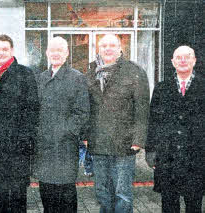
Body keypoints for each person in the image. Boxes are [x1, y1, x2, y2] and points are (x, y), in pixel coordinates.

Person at [84, 34, 150, 213]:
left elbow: (142, 109)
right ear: (99, 49)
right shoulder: (91, 72)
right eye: (103, 45)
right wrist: (85, 136)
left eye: (112, 45)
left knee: (122, 193)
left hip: (124, 143)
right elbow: (86, 107)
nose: (107, 49)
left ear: (120, 48)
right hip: (98, 143)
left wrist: (138, 139)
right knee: (102, 191)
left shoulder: (134, 71)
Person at [0, 34, 39, 213]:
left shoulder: (25, 74)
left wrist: (26, 139)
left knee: (18, 195)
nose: (1, 52)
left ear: (12, 51)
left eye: (5, 49)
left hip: (17, 147)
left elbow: (32, 109)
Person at [33, 36, 90, 213]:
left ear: (66, 54)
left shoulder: (77, 78)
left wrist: (65, 131)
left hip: (65, 146)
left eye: (60, 50)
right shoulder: (40, 78)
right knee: (47, 195)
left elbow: (82, 112)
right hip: (44, 147)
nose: (55, 53)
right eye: (52, 50)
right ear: (47, 53)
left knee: (66, 196)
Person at [146, 46, 204, 213]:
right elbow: (153, 122)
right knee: (169, 204)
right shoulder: (161, 88)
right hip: (167, 158)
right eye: (179, 57)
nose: (183, 60)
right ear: (172, 62)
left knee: (194, 204)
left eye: (187, 57)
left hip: (196, 158)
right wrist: (150, 151)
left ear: (194, 61)